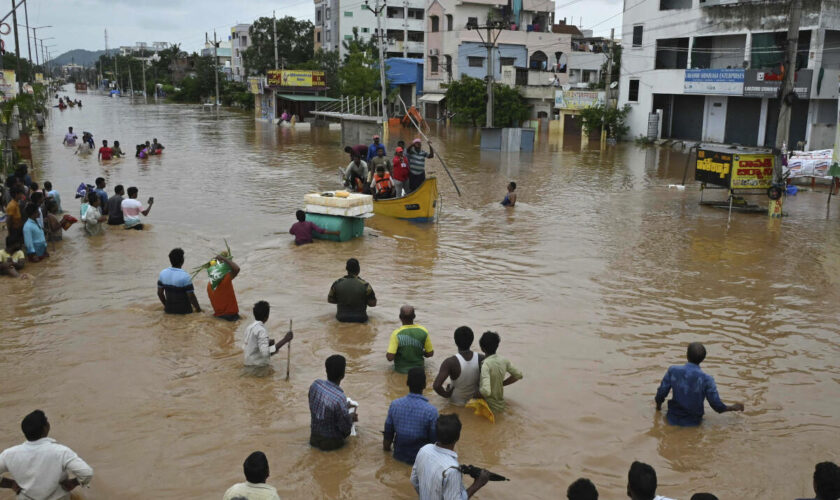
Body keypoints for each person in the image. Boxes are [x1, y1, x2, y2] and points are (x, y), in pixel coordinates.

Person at [0, 410, 93, 499]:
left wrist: (10, 484)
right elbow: (87, 473)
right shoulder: (61, 451)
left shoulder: (9, 454)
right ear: (46, 427)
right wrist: (73, 483)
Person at [654, 342, 744, 427]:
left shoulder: (673, 370)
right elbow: (717, 406)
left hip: (671, 419)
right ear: (703, 359)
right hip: (694, 423)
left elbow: (661, 393)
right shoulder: (707, 380)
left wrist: (658, 409)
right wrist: (734, 407)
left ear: (687, 355)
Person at [410, 414, 490, 499]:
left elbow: (414, 480)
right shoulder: (452, 470)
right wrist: (477, 484)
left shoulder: (424, 450)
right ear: (458, 437)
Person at [383, 367, 439, 465]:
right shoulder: (431, 411)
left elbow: (388, 434)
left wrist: (386, 454)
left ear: (407, 383)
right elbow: (434, 441)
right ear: (425, 385)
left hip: (398, 456)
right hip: (421, 461)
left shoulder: (395, 405)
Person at [308, 354, 356, 451]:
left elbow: (320, 409)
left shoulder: (316, 385)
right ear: (343, 375)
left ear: (326, 370)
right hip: (331, 444)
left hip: (314, 437)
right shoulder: (339, 398)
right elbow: (346, 430)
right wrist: (351, 417)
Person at [432, 326, 483, 406]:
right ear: (472, 340)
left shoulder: (450, 362)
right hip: (475, 402)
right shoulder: (481, 358)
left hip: (456, 403)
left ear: (455, 341)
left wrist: (446, 394)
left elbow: (436, 386)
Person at [478, 331, 523, 414]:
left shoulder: (485, 364)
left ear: (482, 348)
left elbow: (486, 391)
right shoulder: (504, 360)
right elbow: (518, 375)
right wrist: (501, 383)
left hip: (488, 408)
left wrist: (475, 393)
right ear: (497, 346)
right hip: (501, 405)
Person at [242, 301, 293, 366]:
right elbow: (266, 353)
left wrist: (267, 342)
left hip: (248, 363)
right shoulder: (261, 330)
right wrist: (285, 339)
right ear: (267, 316)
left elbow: (250, 345)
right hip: (258, 367)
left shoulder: (249, 327)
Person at [386, 305, 434, 373]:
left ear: (400, 317)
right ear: (414, 316)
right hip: (419, 370)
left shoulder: (396, 334)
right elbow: (430, 353)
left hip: (400, 371)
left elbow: (390, 358)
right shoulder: (424, 331)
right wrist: (421, 352)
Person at [327, 258, 377, 323]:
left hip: (341, 319)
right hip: (361, 320)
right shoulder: (365, 285)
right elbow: (373, 304)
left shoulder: (337, 283)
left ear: (346, 269)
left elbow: (330, 300)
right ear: (358, 269)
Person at [157, 248, 201, 314]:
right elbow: (191, 296)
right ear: (182, 260)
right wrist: (198, 309)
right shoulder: (185, 276)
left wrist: (166, 305)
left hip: (169, 310)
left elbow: (160, 293)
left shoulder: (162, 273)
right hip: (184, 312)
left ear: (170, 260)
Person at [208, 254, 241, 321]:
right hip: (231, 317)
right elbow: (237, 269)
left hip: (218, 317)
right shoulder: (225, 280)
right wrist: (224, 259)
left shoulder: (209, 286)